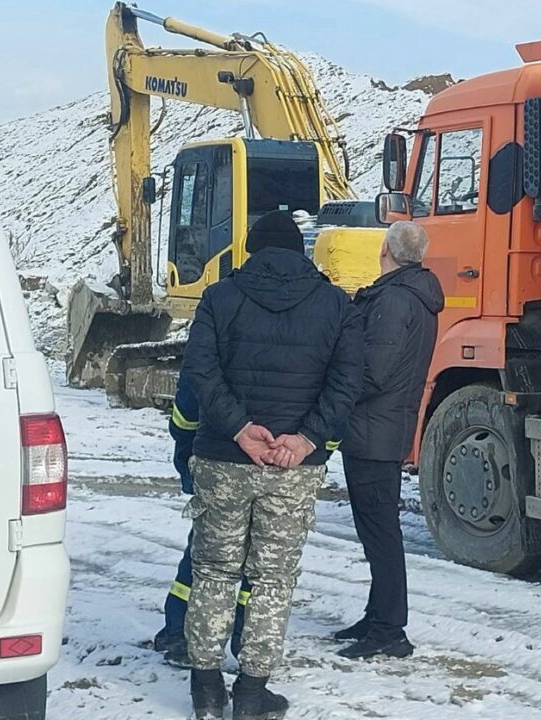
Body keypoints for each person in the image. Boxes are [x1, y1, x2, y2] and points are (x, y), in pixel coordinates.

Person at [182, 210, 363, 720]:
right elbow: (347, 382)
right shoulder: (335, 304)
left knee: (214, 570)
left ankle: (205, 691)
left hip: (224, 456)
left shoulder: (219, 297)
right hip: (292, 467)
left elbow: (200, 369)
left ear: (252, 249)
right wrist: (304, 440)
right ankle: (253, 693)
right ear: (299, 251)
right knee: (273, 579)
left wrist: (240, 429)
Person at [335, 221, 443, 660]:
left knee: (380, 532)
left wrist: (336, 392)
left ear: (384, 250)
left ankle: (389, 628)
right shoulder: (415, 295)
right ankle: (378, 615)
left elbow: (373, 369)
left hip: (373, 429)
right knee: (376, 529)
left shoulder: (394, 300)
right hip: (384, 427)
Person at [152, 370, 251, 668]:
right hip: (279, 466)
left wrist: (188, 456)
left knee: (207, 554)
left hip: (217, 460)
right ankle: (250, 643)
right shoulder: (314, 325)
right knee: (260, 565)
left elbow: (188, 406)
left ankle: (182, 631)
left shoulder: (216, 327)